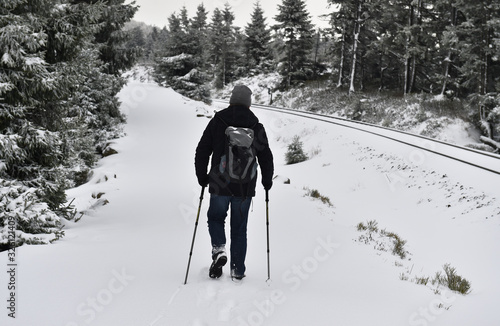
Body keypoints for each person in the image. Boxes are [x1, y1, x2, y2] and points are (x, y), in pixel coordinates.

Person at [195, 85, 274, 280]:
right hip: (244, 188)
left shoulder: (218, 121)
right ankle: (238, 270)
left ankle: (219, 250)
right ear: (248, 102)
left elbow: (202, 150)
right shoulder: (256, 126)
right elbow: (266, 157)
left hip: (219, 184)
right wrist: (266, 180)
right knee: (239, 228)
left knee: (215, 219)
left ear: (231, 99)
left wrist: (202, 176)